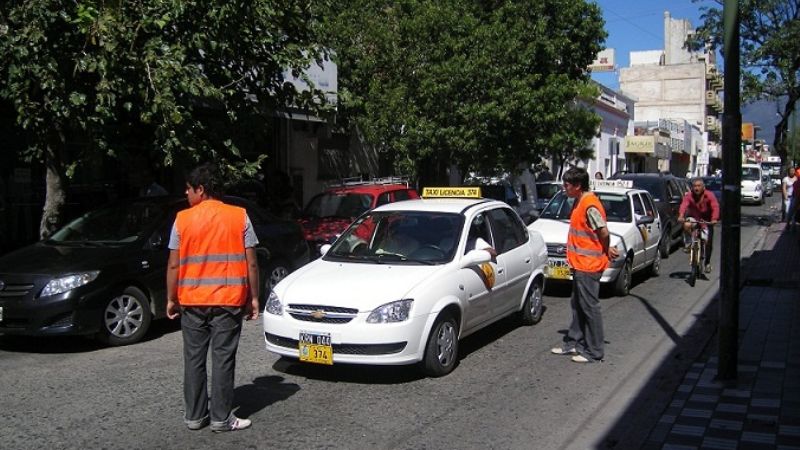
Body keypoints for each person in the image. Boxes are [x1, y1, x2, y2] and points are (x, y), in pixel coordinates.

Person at [165, 163, 260, 433]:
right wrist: (254, 298)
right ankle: (221, 419)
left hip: (192, 301)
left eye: (188, 188)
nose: (186, 194)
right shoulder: (239, 216)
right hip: (228, 301)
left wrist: (171, 298)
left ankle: (195, 417)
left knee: (193, 359)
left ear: (201, 189)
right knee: (222, 359)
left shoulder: (182, 219)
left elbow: (173, 264)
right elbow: (251, 262)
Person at [550, 167, 618, 363]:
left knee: (589, 307)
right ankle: (574, 343)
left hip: (589, 265)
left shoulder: (589, 205)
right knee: (578, 305)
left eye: (567, 185)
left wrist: (606, 249)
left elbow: (603, 232)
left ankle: (594, 351)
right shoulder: (580, 201)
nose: (564, 188)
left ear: (578, 186)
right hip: (580, 263)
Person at [677, 178, 720, 273]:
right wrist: (681, 216)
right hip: (694, 218)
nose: (696, 188)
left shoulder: (709, 195)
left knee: (708, 242)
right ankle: (688, 244)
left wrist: (714, 219)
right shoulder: (689, 195)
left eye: (698, 186)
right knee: (687, 225)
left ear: (703, 187)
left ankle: (707, 263)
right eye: (695, 186)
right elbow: (684, 205)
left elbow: (715, 206)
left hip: (707, 220)